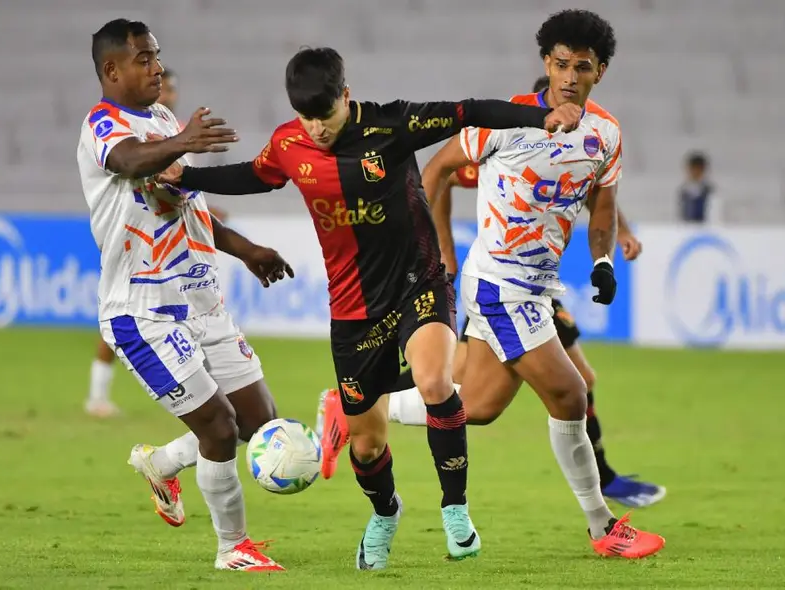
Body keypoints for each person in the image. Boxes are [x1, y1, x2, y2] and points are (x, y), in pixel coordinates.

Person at [157, 46, 584, 569]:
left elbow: (469, 111)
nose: (316, 128)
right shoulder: (289, 144)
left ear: (347, 95)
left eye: (325, 114)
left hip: (418, 281)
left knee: (435, 382)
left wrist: (543, 116)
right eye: (306, 117)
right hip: (354, 308)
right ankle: (385, 512)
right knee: (365, 446)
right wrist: (187, 178)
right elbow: (254, 175)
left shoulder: (393, 125)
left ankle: (455, 510)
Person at [315, 11, 665, 559]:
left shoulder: (606, 135)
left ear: (600, 71)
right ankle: (603, 529)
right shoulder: (507, 121)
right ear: (546, 62)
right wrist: (422, 246)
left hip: (538, 287)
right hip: (499, 284)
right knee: (571, 393)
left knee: (477, 405)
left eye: (583, 67)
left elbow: (603, 210)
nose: (570, 76)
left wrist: (603, 263)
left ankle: (357, 405)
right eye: (561, 63)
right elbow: (436, 169)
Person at [79, 18, 294, 572]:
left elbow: (187, 201)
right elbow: (129, 161)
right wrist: (182, 142)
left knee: (257, 421)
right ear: (112, 70)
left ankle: (162, 463)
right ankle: (232, 548)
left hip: (202, 301)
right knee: (218, 427)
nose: (156, 68)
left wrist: (245, 249)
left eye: (156, 56)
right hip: (144, 311)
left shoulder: (163, 120)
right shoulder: (102, 125)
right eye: (144, 59)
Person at [84, 67, 232, 418]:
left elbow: (177, 187)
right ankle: (97, 394)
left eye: (172, 90)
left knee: (183, 321)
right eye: (163, 88)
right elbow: (139, 178)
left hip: (173, 248)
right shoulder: (134, 131)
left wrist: (203, 210)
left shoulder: (175, 129)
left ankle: (203, 396)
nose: (167, 95)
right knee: (126, 317)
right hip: (138, 244)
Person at [678, 151, 716, 223]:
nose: (696, 172)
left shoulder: (709, 190)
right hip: (686, 226)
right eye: (693, 169)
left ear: (703, 170)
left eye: (698, 169)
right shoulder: (683, 191)